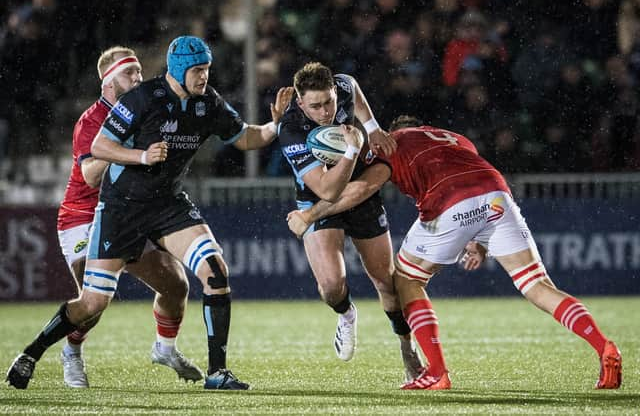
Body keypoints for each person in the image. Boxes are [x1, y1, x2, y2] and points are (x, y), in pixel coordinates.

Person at [6, 36, 294, 390]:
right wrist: (142, 156)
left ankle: (216, 373)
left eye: (207, 69)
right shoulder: (142, 99)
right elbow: (99, 148)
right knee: (94, 301)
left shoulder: (208, 102)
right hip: (120, 209)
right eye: (197, 70)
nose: (204, 76)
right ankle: (32, 354)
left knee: (215, 273)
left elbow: (244, 137)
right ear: (178, 69)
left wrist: (275, 126)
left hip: (167, 205)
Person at [287, 115, 622, 390]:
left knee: (406, 281)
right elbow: (470, 182)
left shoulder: (391, 143)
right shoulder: (455, 137)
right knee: (537, 285)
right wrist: (476, 239)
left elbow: (362, 188)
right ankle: (604, 346)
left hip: (448, 200)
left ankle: (435, 372)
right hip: (496, 196)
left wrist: (310, 215)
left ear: (395, 128)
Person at [55, 46, 202, 388]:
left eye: (138, 72)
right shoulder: (91, 121)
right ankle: (72, 354)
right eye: (129, 73)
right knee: (92, 304)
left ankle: (165, 349)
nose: (138, 78)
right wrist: (129, 148)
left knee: (176, 284)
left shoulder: (143, 108)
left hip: (128, 211)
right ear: (108, 82)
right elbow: (91, 176)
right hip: (84, 216)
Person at [277, 62, 424, 381]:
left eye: (328, 101)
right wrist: (353, 149)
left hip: (362, 196)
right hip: (316, 199)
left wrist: (372, 127)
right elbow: (328, 191)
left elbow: (352, 86)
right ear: (300, 103)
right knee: (331, 286)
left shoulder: (341, 88)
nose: (325, 111)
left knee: (386, 280)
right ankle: (346, 314)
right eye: (315, 106)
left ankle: (407, 347)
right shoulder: (290, 128)